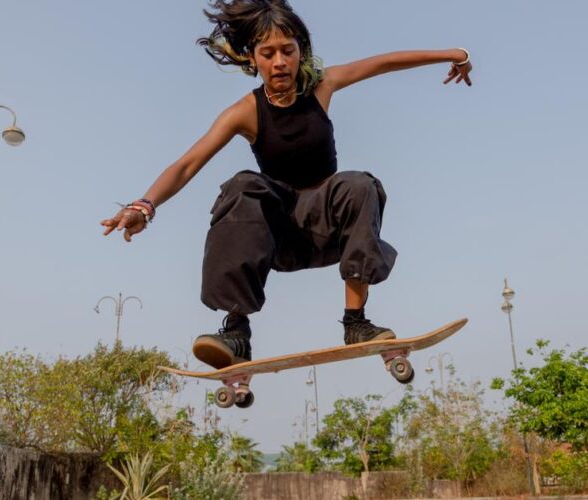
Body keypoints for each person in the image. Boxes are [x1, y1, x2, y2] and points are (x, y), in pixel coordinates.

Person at [101, 0, 472, 369]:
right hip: (277, 237)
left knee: (360, 184)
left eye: (287, 51)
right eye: (268, 53)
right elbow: (187, 164)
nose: (279, 62)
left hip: (330, 232)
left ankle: (356, 323)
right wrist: (143, 206)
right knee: (243, 185)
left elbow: (383, 62)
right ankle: (235, 331)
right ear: (253, 59)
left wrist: (455, 54)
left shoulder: (322, 86)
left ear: (300, 53)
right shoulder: (245, 111)